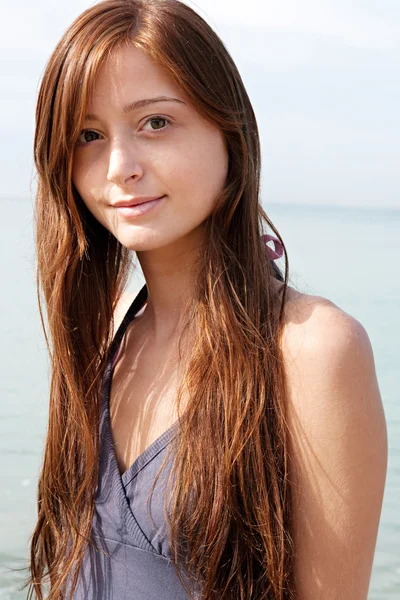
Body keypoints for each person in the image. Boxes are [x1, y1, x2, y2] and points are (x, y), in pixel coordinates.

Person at [24, 1, 387, 598]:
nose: (120, 167)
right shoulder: (108, 326)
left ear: (231, 132)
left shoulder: (312, 351)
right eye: (88, 136)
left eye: (156, 123)